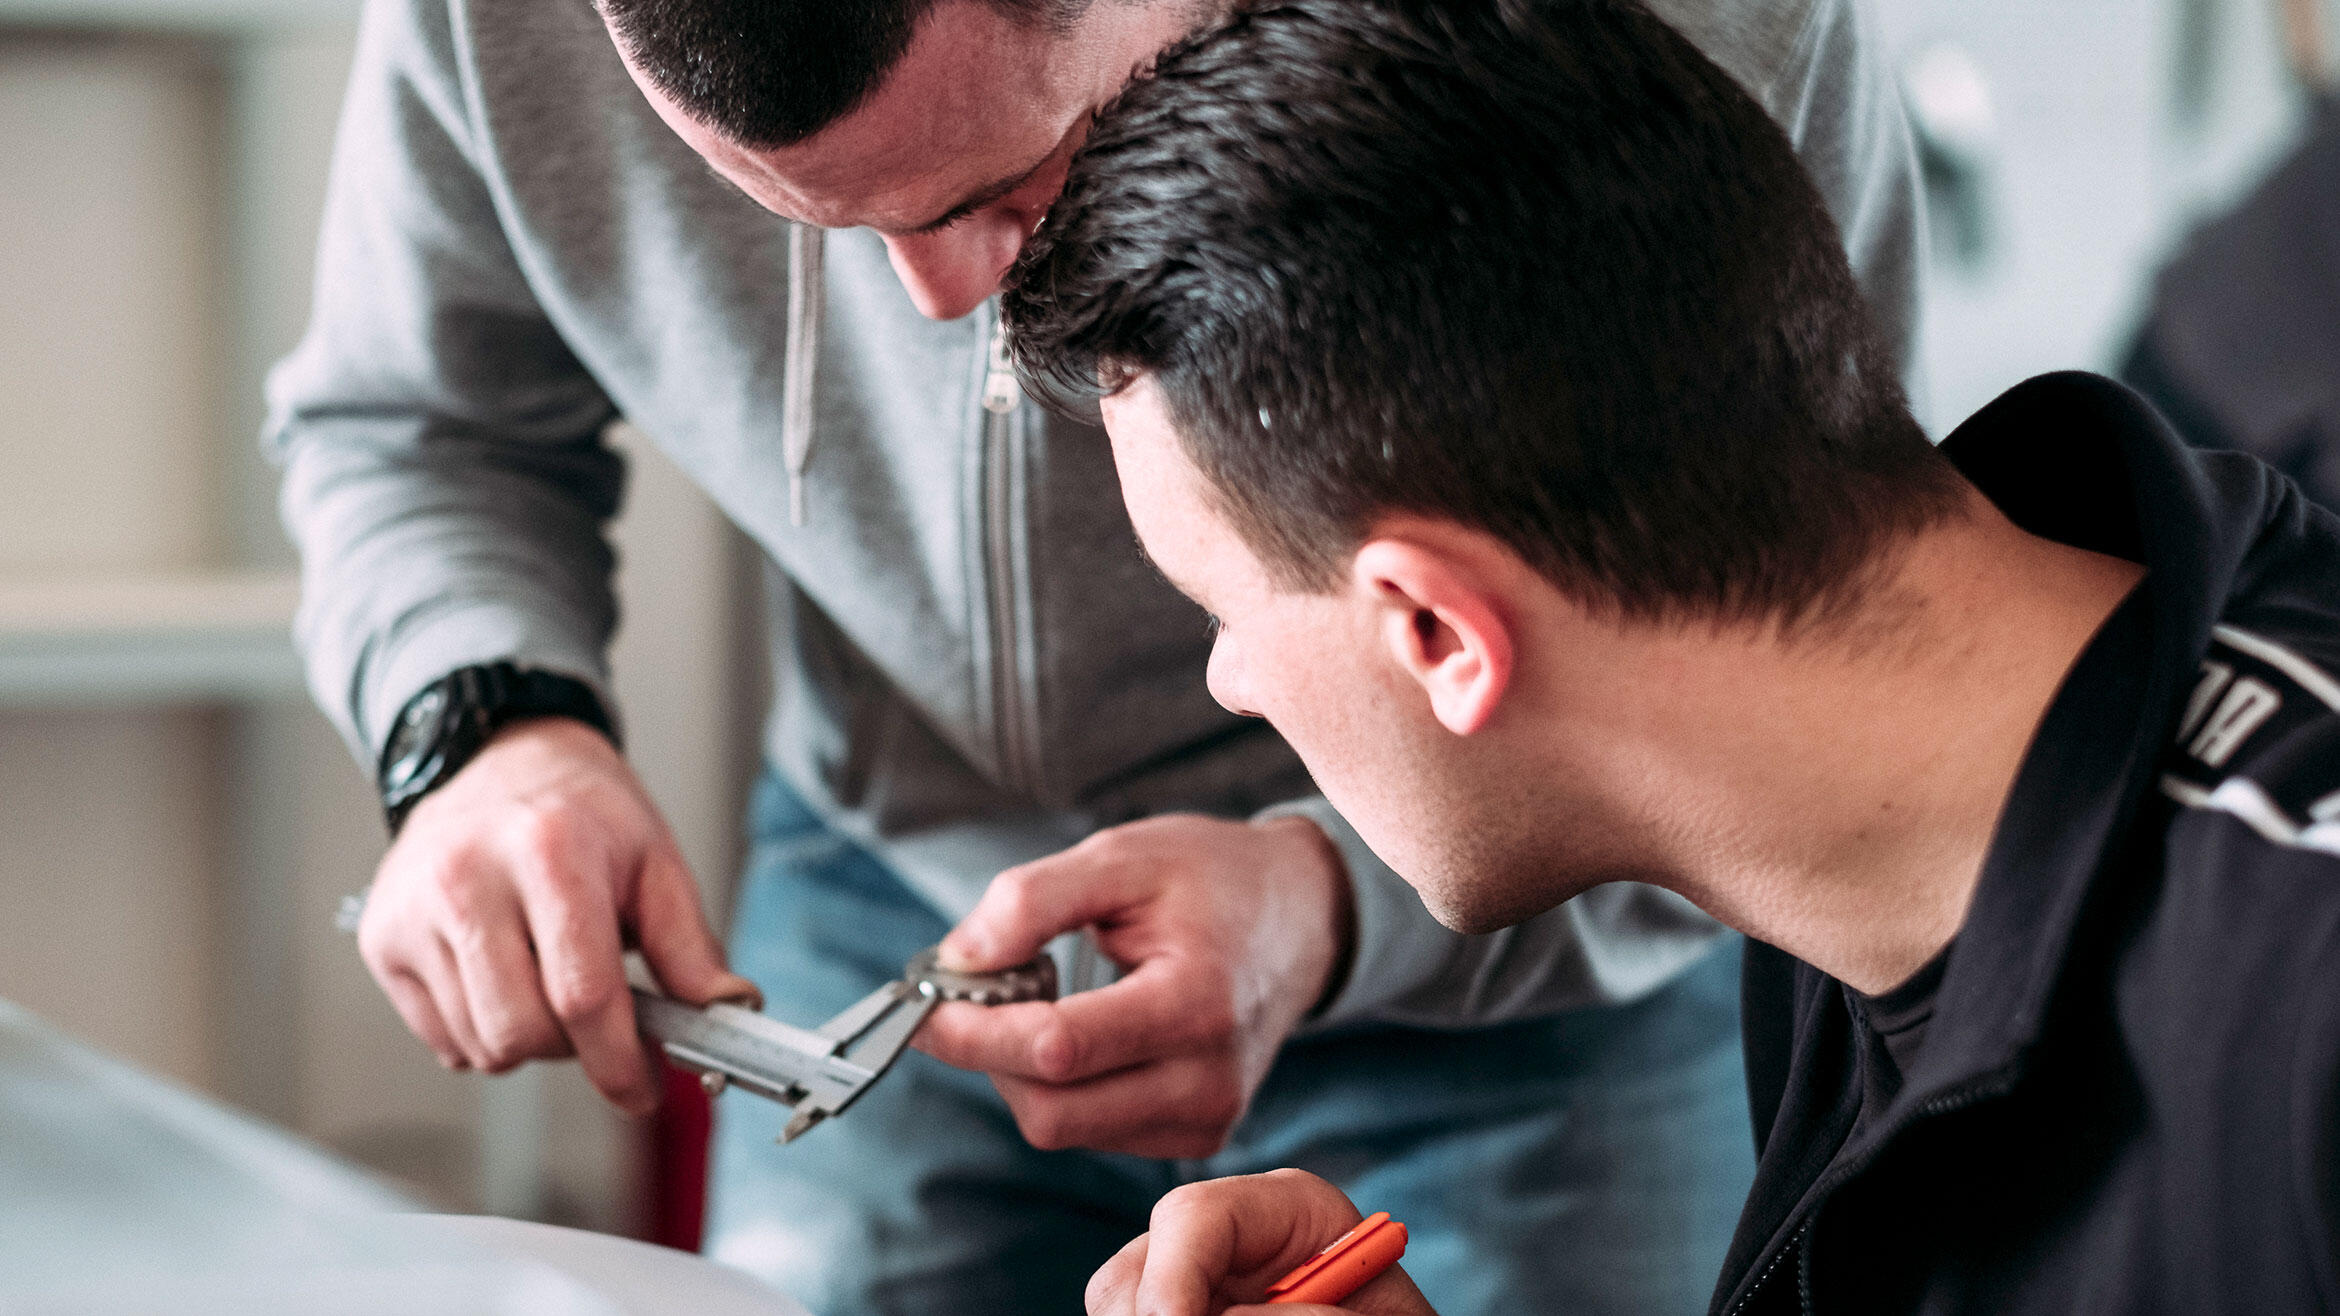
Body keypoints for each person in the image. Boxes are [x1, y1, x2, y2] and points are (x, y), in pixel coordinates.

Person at [267, 0, 1923, 1310]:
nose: (935, 313)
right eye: (812, 224)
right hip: (891, 920)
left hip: (1546, 982)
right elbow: (411, 423)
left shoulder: (1696, 32)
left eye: (1003, 192)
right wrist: (483, 725)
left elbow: (1749, 681)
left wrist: (1336, 901)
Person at [997, 0, 2340, 1311]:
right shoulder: (1851, 853)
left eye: (1221, 610)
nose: (1228, 678)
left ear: (1437, 632)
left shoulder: (2299, 1000)